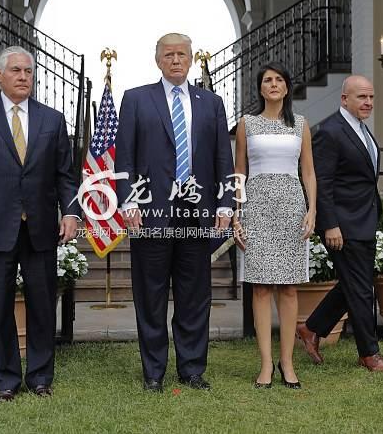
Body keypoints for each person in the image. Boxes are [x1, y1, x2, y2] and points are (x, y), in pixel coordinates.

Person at [0, 46, 81, 402]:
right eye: (17, 71)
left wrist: (70, 212)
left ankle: (39, 377)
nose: (24, 77)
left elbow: (66, 175)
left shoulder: (53, 120)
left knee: (41, 304)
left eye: (29, 72)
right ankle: (5, 380)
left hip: (40, 228)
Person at [115, 33, 234, 392]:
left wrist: (226, 202)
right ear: (158, 60)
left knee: (194, 295)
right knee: (150, 296)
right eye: (169, 55)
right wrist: (128, 201)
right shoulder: (136, 100)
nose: (176, 60)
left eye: (182, 54)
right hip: (151, 211)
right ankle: (153, 372)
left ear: (192, 58)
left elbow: (221, 157)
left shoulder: (211, 103)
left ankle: (192, 369)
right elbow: (126, 156)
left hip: (197, 213)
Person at [296, 75, 383, 373]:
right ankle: (370, 354)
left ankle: (311, 328)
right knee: (361, 287)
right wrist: (329, 224)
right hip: (342, 226)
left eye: (371, 97)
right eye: (361, 97)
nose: (368, 102)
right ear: (344, 99)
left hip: (363, 221)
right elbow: (322, 182)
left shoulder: (362, 130)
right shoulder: (330, 132)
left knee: (356, 283)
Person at [232, 62, 316, 389]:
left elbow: (308, 171)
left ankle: (288, 363)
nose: (273, 84)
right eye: (267, 80)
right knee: (261, 286)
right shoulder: (247, 124)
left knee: (290, 286)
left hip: (292, 206)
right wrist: (236, 213)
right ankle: (266, 365)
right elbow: (239, 171)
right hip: (256, 206)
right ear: (260, 88)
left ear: (286, 86)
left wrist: (312, 211)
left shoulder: (300, 124)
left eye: (279, 79)